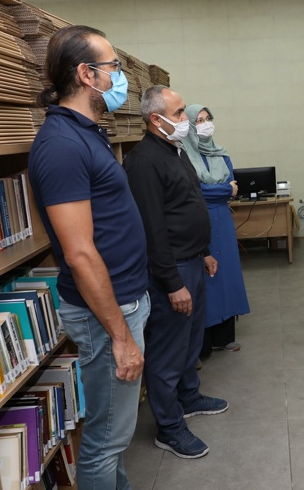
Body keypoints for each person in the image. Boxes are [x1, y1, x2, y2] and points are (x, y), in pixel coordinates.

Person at [28, 25, 150, 489]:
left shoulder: (86, 133)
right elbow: (79, 254)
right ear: (86, 74)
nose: (119, 78)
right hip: (106, 314)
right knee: (105, 440)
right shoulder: (61, 145)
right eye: (113, 67)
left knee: (114, 436)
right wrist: (120, 336)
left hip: (122, 303)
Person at [123, 85, 228, 460]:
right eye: (180, 112)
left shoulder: (175, 150)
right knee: (168, 351)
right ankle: (169, 427)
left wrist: (204, 253)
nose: (186, 119)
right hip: (172, 271)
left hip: (193, 261)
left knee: (190, 340)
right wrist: (172, 283)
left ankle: (189, 396)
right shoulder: (143, 161)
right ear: (156, 119)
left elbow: (187, 203)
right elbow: (152, 229)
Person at [182, 104, 251, 359]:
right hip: (199, 220)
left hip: (223, 220)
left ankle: (225, 337)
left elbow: (233, 188)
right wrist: (224, 189)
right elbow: (194, 191)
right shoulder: (183, 155)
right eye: (199, 120)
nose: (205, 124)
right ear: (190, 125)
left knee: (226, 276)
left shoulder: (221, 153)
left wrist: (221, 191)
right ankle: (204, 343)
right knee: (206, 279)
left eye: (208, 118)